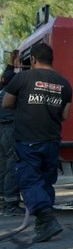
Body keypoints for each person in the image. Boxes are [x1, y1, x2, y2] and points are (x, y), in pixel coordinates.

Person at [2, 43, 72, 242]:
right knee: (45, 181)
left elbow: (6, 104)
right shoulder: (64, 83)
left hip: (28, 139)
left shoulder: (22, 77)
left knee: (29, 180)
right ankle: (44, 226)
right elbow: (65, 115)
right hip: (52, 140)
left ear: (32, 59)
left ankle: (46, 219)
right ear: (52, 59)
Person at [1, 50, 25, 216]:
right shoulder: (12, 94)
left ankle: (4, 200)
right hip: (10, 129)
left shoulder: (2, 90)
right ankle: (11, 204)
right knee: (12, 165)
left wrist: (12, 61)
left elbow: (7, 73)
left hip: (2, 129)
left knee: (3, 164)